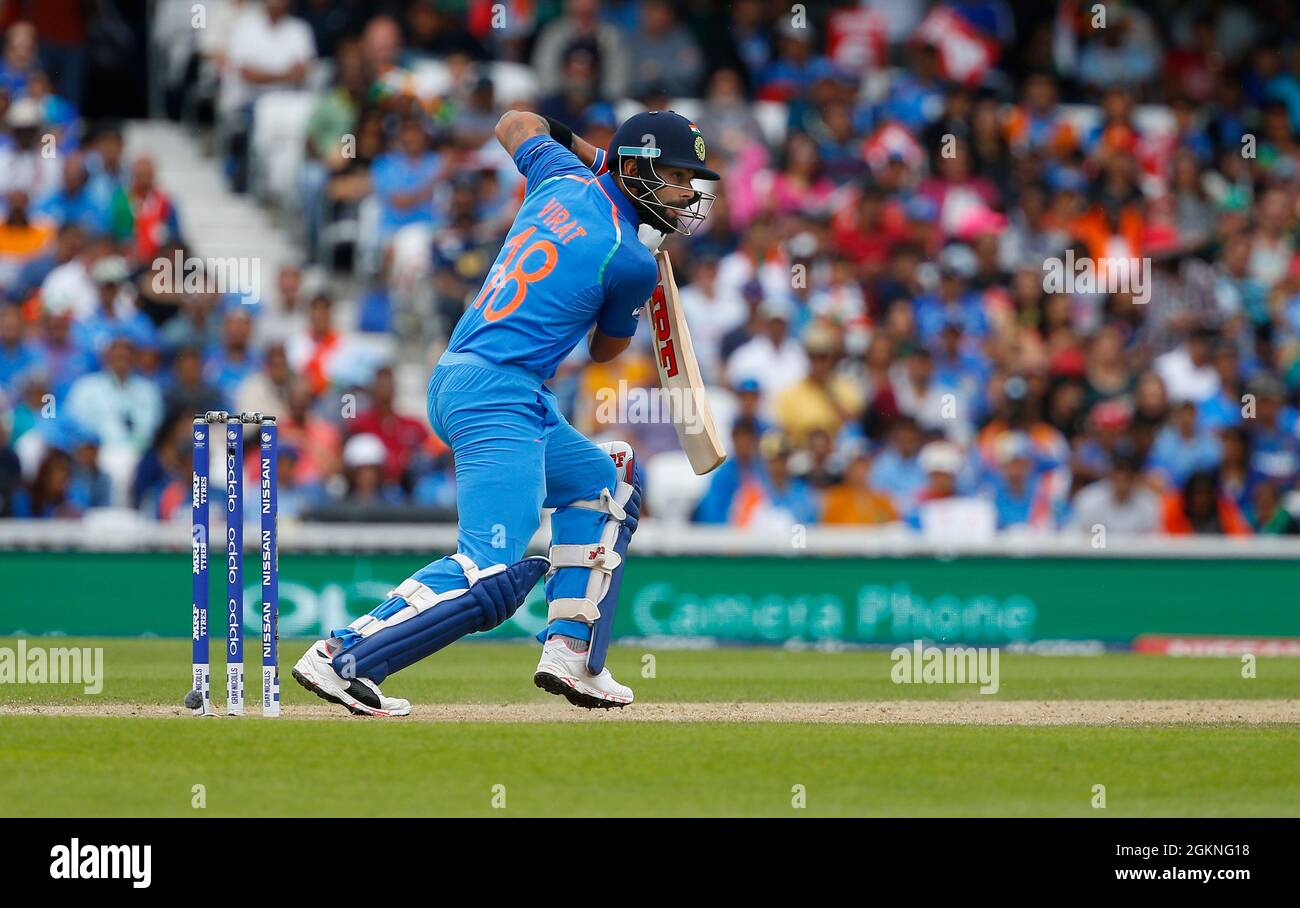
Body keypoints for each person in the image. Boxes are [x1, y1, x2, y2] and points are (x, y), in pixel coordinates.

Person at [291, 108, 718, 716]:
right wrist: (639, 289)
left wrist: (597, 161)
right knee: (489, 571)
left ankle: (573, 653)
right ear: (638, 170)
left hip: (474, 379)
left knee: (608, 484)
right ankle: (344, 656)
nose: (685, 195)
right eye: (676, 178)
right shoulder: (630, 260)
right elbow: (604, 351)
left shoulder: (556, 177)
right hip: (499, 395)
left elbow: (518, 120)